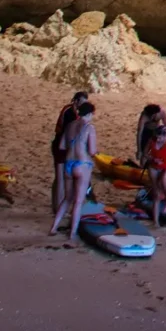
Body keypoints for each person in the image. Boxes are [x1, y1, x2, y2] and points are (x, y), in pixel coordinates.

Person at [50, 101, 96, 241]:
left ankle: (53, 227)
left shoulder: (70, 126)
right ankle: (72, 233)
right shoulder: (89, 128)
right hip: (82, 164)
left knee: (67, 198)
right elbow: (93, 151)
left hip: (68, 164)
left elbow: (62, 146)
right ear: (89, 114)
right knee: (78, 201)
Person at [51, 90, 90, 216]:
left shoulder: (69, 110)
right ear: (77, 101)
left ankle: (56, 206)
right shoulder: (71, 114)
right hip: (62, 148)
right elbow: (68, 135)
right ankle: (58, 209)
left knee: (59, 178)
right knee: (61, 179)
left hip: (61, 146)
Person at [144, 122, 166, 228]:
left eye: (160, 138)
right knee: (156, 194)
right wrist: (153, 159)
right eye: (157, 138)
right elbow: (145, 154)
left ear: (165, 136)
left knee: (163, 181)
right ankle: (156, 221)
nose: (158, 140)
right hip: (153, 167)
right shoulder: (152, 140)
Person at [135, 103, 166, 168]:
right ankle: (142, 167)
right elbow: (139, 133)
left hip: (156, 131)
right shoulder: (144, 116)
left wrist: (164, 137)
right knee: (144, 153)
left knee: (156, 152)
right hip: (146, 132)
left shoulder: (162, 112)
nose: (150, 118)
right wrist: (139, 150)